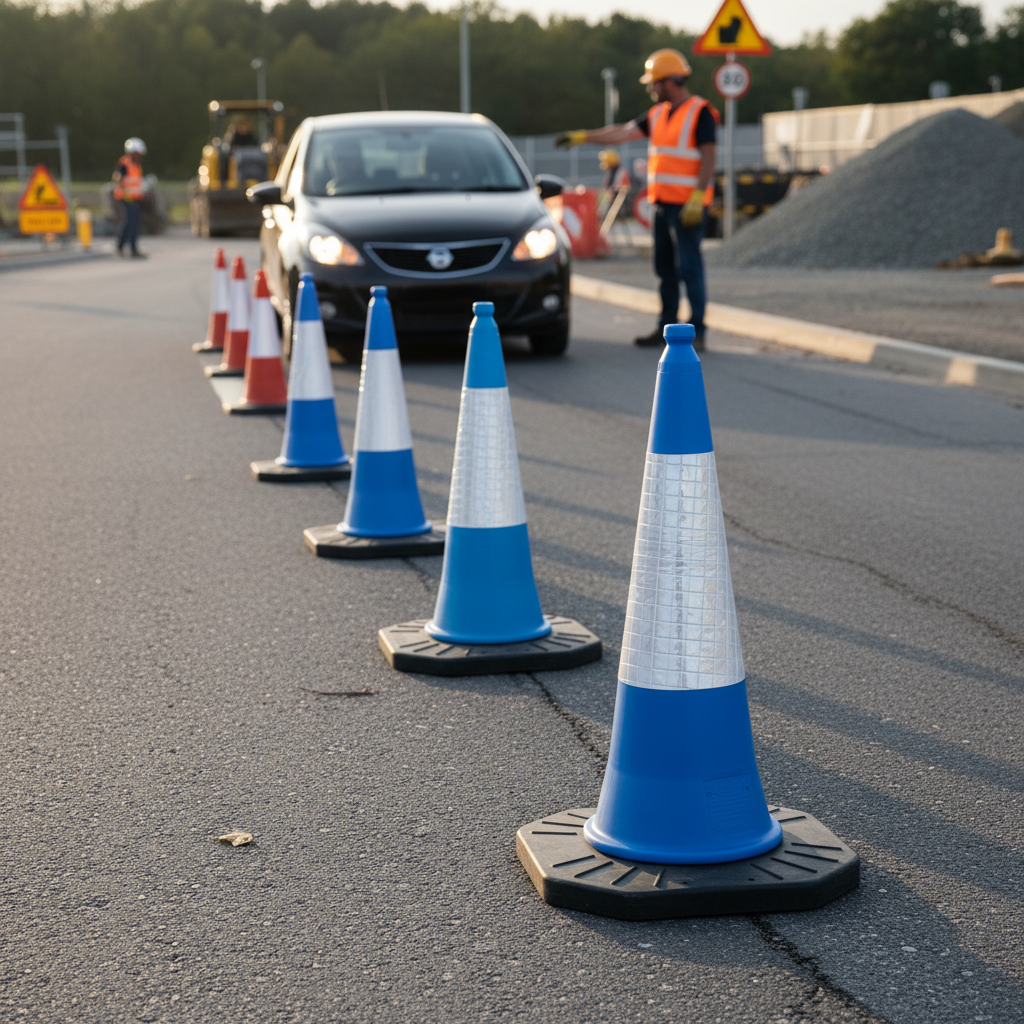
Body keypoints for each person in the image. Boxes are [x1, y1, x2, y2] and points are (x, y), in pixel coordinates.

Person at [556, 49, 717, 349]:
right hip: (662, 204)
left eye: (653, 83)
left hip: (688, 206)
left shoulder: (700, 111)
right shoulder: (657, 114)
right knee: (665, 269)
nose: (650, 88)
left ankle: (698, 331)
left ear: (669, 81)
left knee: (690, 267)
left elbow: (709, 156)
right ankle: (666, 327)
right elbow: (621, 132)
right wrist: (583, 137)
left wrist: (697, 196)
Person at [113, 137, 147, 258]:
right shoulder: (124, 164)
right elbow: (118, 179)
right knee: (129, 224)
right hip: (126, 199)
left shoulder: (136, 165)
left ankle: (129, 248)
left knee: (133, 224)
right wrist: (125, 193)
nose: (139, 156)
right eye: (137, 153)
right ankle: (125, 248)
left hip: (135, 199)